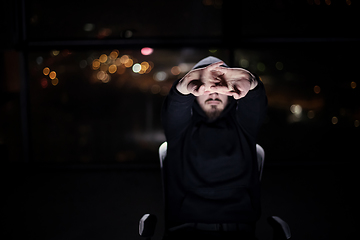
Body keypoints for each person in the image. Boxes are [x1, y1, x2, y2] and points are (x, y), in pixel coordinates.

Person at [161, 56, 268, 240]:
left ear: (231, 93)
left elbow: (256, 104)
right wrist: (185, 84)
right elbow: (175, 107)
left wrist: (251, 82)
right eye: (206, 88)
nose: (213, 93)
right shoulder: (180, 130)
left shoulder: (244, 127)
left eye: (219, 87)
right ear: (194, 94)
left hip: (240, 231)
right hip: (186, 231)